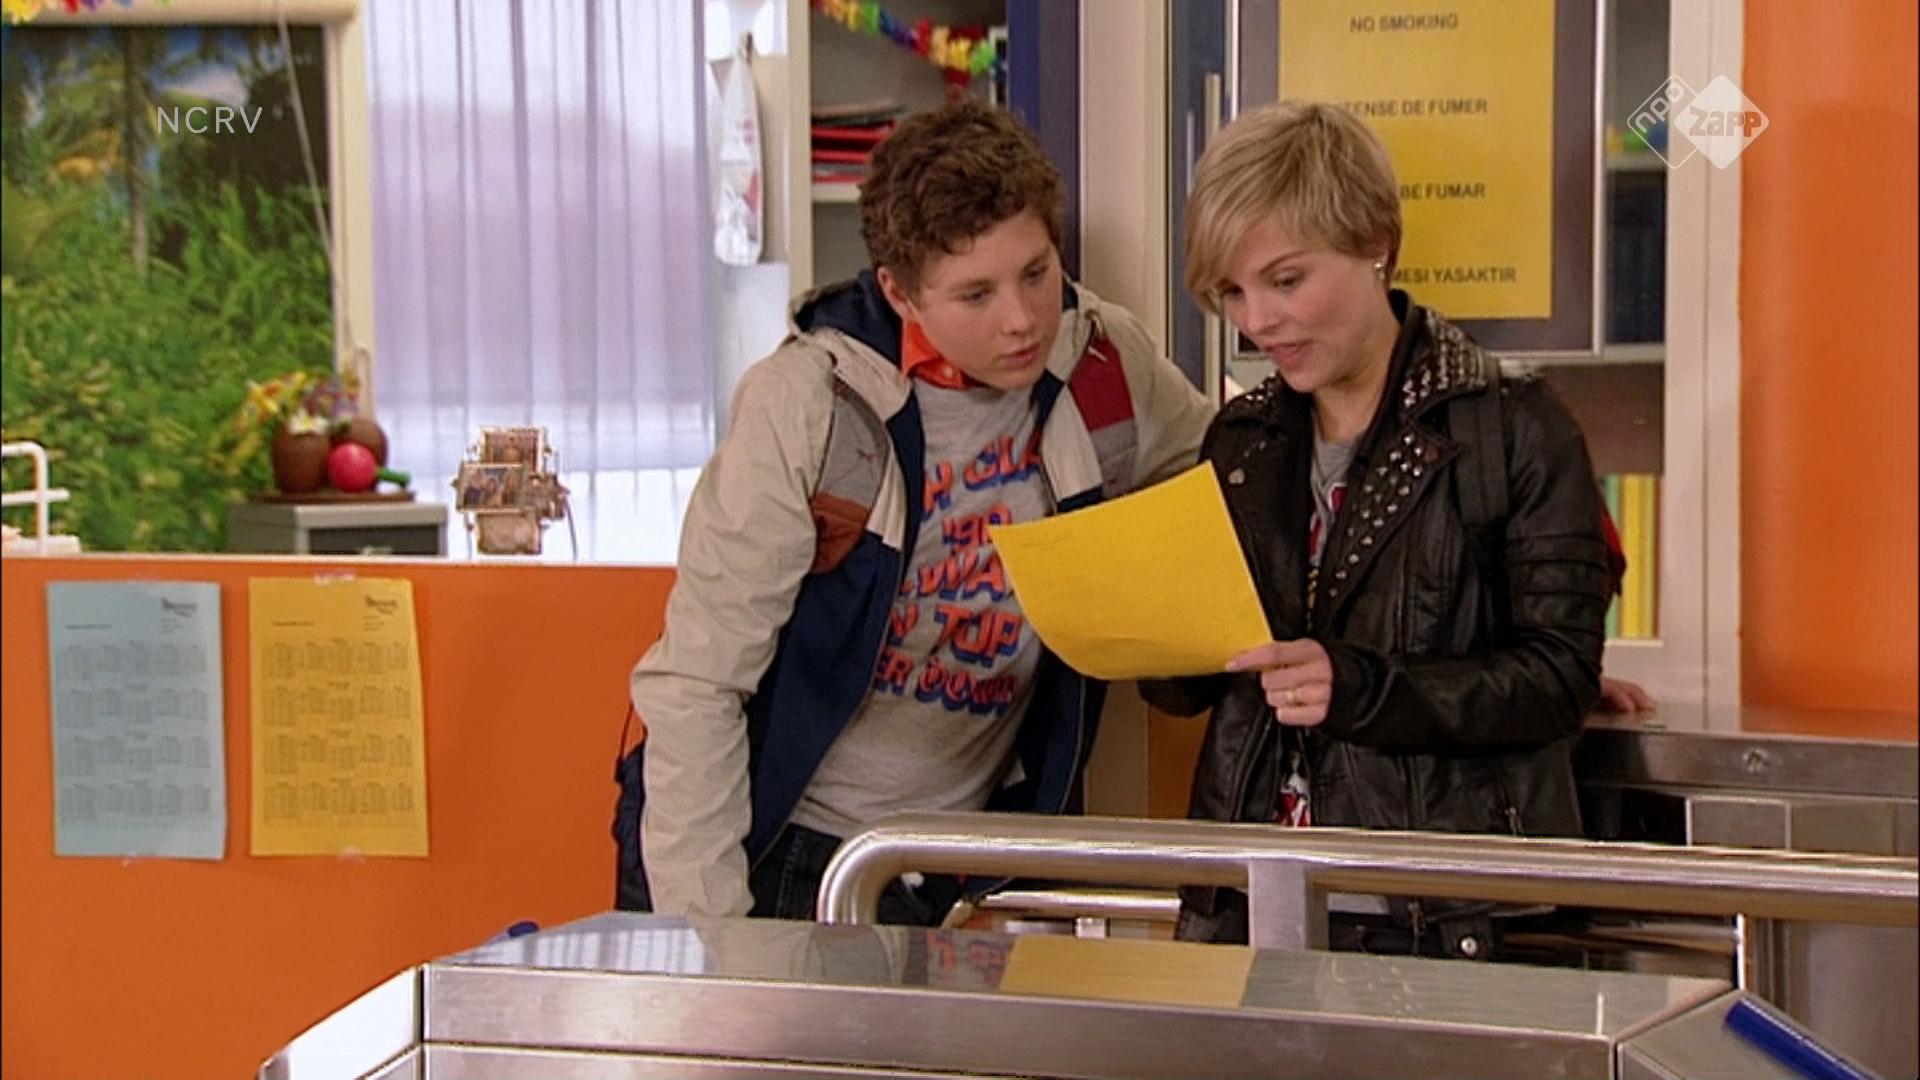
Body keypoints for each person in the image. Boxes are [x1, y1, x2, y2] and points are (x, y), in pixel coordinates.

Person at [613, 100, 1216, 921]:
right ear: (899, 293)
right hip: (783, 850)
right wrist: (711, 941)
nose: (1021, 319)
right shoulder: (808, 404)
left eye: (1037, 272)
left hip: (964, 859)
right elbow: (698, 685)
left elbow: (1216, 482)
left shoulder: (1106, 360)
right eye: (975, 294)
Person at [1147, 101, 1619, 952]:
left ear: (1376, 244)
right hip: (1250, 905)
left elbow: (1557, 680)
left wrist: (1365, 689)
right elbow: (1203, 686)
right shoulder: (1243, 440)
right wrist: (1149, 640)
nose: (1257, 322)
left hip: (1441, 915)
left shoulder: (1515, 425)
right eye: (1233, 292)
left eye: (1286, 280)